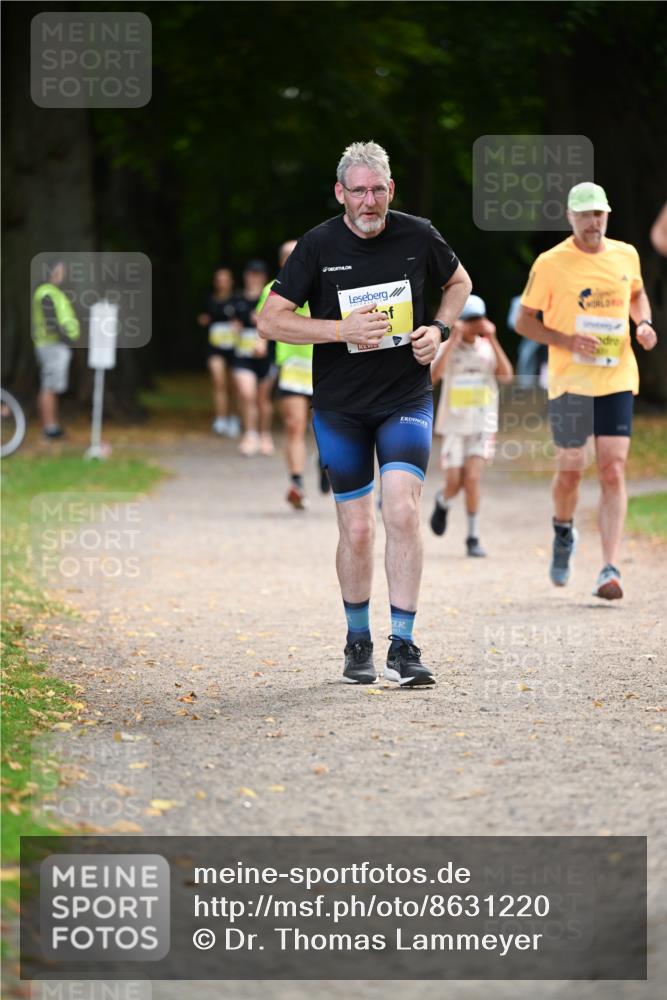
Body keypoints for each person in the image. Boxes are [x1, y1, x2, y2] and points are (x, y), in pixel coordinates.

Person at [258, 140, 471, 687]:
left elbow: (459, 283)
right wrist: (339, 330)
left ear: (391, 189)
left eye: (378, 190)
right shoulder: (317, 245)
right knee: (356, 528)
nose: (369, 201)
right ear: (340, 193)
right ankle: (358, 640)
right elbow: (270, 320)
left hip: (405, 397)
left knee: (401, 509)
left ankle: (404, 644)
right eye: (359, 191)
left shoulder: (418, 234)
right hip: (342, 407)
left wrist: (440, 330)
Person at [515, 181, 658, 599]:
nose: (593, 222)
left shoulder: (626, 254)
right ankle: (563, 530)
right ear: (570, 217)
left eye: (598, 214)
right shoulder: (550, 263)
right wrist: (566, 340)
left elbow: (637, 295)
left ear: (607, 215)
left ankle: (610, 568)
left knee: (613, 468)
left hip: (616, 376)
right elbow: (523, 321)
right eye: (584, 215)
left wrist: (643, 323)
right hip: (571, 381)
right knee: (572, 470)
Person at [430, 294, 513, 557]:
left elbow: (506, 376)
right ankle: (443, 500)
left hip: (482, 423)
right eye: (468, 320)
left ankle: (473, 536)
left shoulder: (487, 348)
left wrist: (494, 339)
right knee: (454, 481)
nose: (473, 326)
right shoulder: (447, 347)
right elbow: (432, 377)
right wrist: (453, 339)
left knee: (473, 478)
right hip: (454, 424)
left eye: (477, 320)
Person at [255, 240, 326, 510]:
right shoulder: (272, 290)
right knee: (295, 425)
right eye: (288, 255)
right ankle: (297, 484)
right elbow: (264, 322)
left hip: (324, 365)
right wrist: (260, 344)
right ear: (282, 262)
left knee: (325, 426)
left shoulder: (324, 283)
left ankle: (325, 459)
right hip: (293, 366)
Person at [32, 260, 80, 438]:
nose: (62, 275)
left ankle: (52, 425)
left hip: (53, 345)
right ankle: (49, 427)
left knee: (51, 386)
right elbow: (51, 320)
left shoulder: (53, 292)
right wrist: (66, 337)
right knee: (49, 387)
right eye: (59, 271)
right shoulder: (46, 292)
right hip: (52, 345)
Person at [232, 260, 276, 457]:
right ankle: (250, 434)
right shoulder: (237, 299)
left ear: (264, 277)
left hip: (266, 355)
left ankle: (265, 434)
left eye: (257, 274)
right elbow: (231, 323)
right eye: (251, 274)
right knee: (247, 394)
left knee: (263, 398)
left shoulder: (270, 296)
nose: (254, 278)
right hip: (243, 354)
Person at [197, 266, 241, 437]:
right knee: (218, 381)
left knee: (234, 385)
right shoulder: (209, 300)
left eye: (225, 280)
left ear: (231, 282)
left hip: (234, 347)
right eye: (219, 280)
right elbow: (203, 317)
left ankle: (234, 418)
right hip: (215, 346)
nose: (222, 283)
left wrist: (239, 324)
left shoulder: (238, 300)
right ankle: (220, 418)